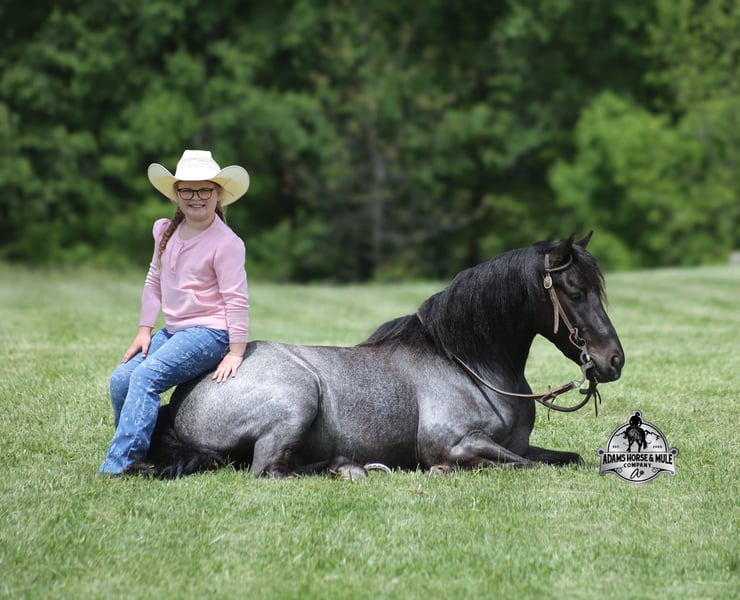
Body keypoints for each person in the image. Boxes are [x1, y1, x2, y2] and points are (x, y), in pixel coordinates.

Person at [98, 149, 250, 476]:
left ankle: (121, 464)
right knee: (121, 379)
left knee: (145, 378)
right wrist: (144, 330)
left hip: (210, 333)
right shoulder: (164, 230)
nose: (196, 197)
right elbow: (154, 280)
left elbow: (236, 300)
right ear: (176, 194)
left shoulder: (227, 244)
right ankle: (140, 447)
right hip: (174, 330)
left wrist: (236, 352)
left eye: (204, 190)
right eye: (187, 190)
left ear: (218, 194)